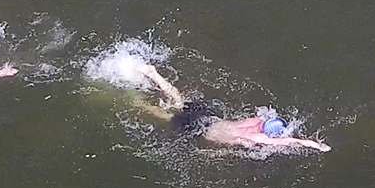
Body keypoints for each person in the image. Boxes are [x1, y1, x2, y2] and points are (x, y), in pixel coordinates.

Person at [130, 57, 330, 153]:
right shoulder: (257, 137)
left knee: (179, 100)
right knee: (166, 116)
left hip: (208, 117)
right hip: (200, 130)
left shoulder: (258, 120)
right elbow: (287, 143)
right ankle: (140, 103)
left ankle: (153, 74)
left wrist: (314, 143)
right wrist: (316, 146)